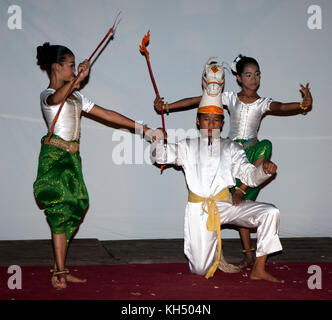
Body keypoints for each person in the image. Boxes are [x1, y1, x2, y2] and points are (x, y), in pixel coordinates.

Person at [154, 54, 312, 268]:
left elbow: (281, 107)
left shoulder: (259, 109)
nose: (253, 78)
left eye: (257, 74)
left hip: (246, 159)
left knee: (260, 200)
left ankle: (257, 265)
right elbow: (195, 102)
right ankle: (244, 253)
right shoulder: (224, 104)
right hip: (215, 181)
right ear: (238, 78)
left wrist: (302, 105)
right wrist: (166, 110)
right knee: (203, 265)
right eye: (248, 74)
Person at [33, 42, 155, 290]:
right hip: (54, 158)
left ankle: (60, 269)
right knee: (59, 208)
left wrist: (144, 129)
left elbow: (107, 114)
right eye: (70, 65)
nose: (74, 68)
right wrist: (77, 79)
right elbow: (58, 97)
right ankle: (60, 272)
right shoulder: (47, 96)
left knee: (77, 204)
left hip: (71, 159)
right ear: (57, 67)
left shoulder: (77, 96)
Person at [151, 103, 284, 283]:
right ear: (198, 121)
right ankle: (209, 247)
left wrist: (263, 171)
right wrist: (157, 138)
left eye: (216, 120)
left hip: (226, 204)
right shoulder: (187, 146)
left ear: (222, 123)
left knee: (270, 212)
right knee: (200, 269)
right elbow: (160, 157)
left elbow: (250, 177)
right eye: (206, 120)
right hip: (200, 210)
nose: (211, 125)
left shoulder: (232, 147)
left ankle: (259, 269)